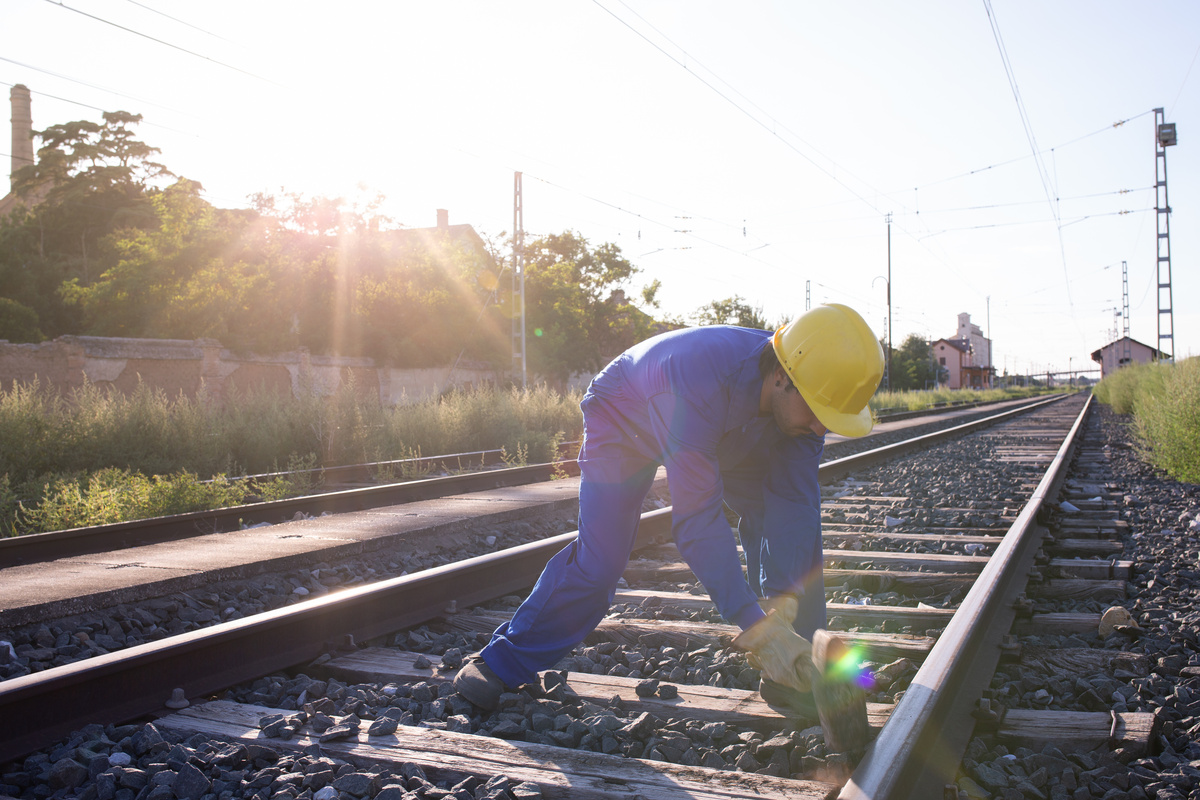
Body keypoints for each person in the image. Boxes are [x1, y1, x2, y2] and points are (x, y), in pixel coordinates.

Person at [453, 303, 885, 714]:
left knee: (798, 525)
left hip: (734, 427)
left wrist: (785, 596)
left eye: (831, 417)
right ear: (781, 376)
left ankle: (800, 670)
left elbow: (793, 503)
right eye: (817, 412)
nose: (820, 427)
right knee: (600, 561)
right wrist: (753, 623)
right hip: (626, 417)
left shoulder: (807, 399)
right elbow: (698, 521)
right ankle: (502, 662)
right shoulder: (697, 380)